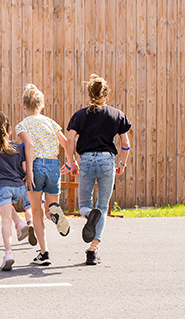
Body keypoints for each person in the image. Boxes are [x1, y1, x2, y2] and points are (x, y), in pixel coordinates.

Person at [65, 74, 131, 265]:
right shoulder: (117, 114)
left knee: (85, 203)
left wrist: (71, 162)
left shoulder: (79, 115)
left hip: (86, 160)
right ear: (106, 95)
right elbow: (125, 143)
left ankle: (87, 215)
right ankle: (93, 250)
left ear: (89, 96)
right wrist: (123, 163)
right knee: (102, 206)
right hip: (106, 160)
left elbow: (70, 139)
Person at [15, 84, 70, 266]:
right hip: (54, 164)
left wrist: (29, 171)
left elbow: (29, 146)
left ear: (24, 106)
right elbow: (65, 141)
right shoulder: (50, 122)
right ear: (42, 105)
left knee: (37, 211)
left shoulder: (22, 125)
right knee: (51, 206)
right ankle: (56, 214)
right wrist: (70, 162)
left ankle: (44, 253)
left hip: (36, 165)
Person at [0, 112, 36, 271]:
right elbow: (24, 169)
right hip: (20, 187)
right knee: (12, 207)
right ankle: (21, 223)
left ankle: (9, 253)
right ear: (9, 129)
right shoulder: (18, 148)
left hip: (4, 188)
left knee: (5, 222)